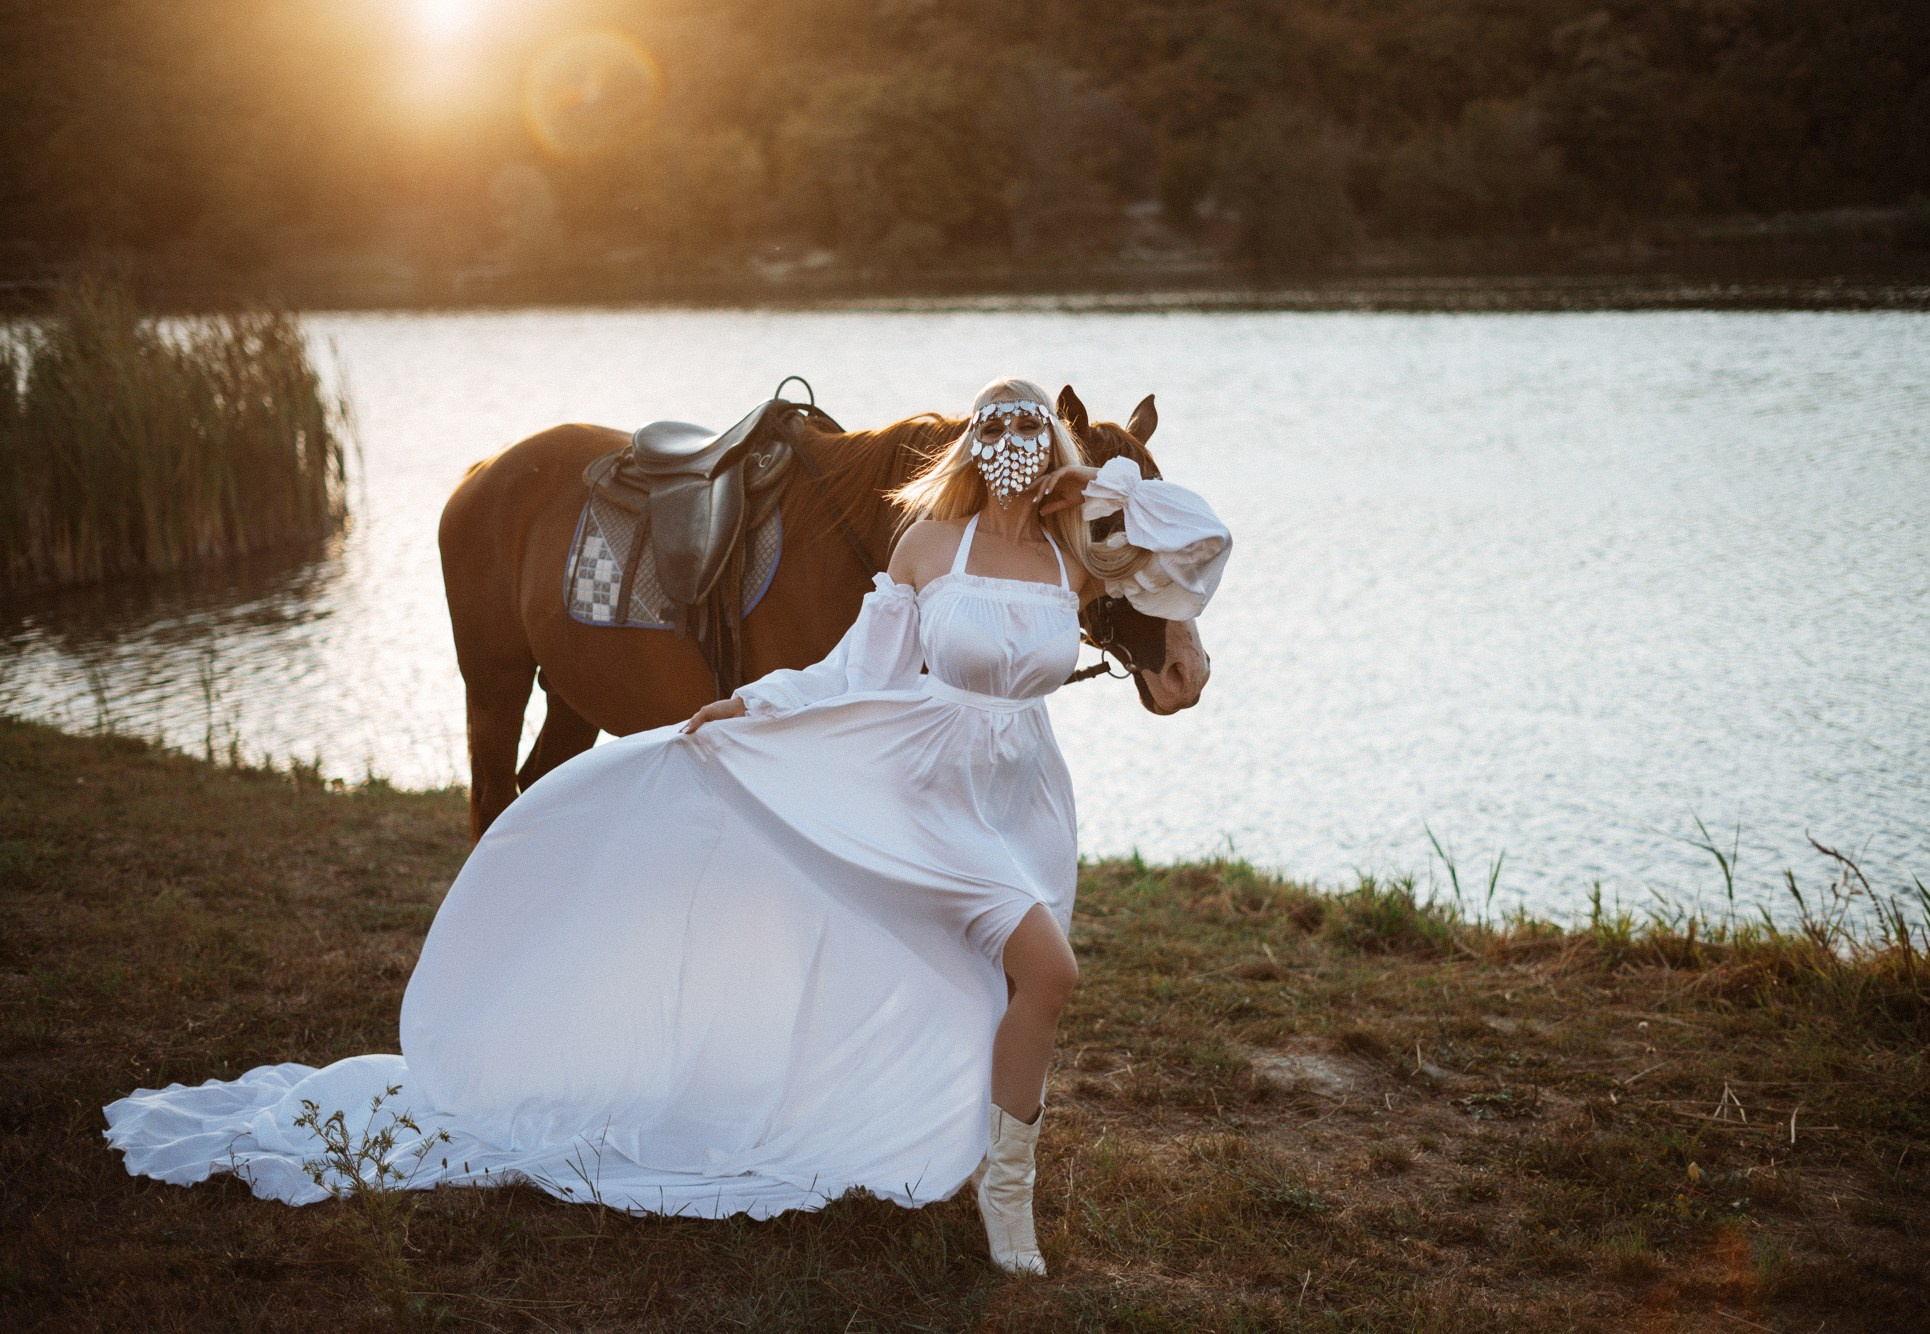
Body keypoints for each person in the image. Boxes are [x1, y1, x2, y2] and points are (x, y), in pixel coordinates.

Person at [104, 377, 1231, 1278]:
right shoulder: (924, 553)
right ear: (975, 451)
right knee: (1048, 973)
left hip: (1018, 800)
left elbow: (1190, 539)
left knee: (993, 979)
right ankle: (1003, 1195)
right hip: (931, 792)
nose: (1016, 458)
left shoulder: (1070, 558)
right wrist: (755, 701)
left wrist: (1094, 491)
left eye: (1031, 446)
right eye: (1003, 441)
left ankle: (950, 1142)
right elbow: (855, 664)